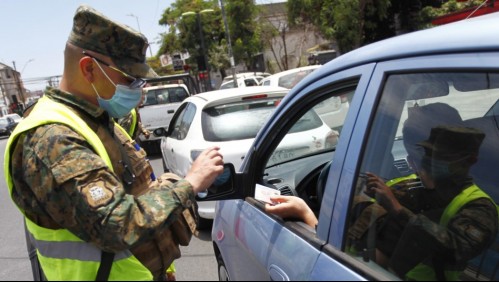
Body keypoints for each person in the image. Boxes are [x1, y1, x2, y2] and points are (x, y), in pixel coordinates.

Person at [4, 5, 223, 281]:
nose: (137, 89)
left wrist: (164, 268)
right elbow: (117, 224)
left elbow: (141, 190)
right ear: (89, 69)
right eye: (129, 78)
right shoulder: (51, 138)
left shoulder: (98, 121)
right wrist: (189, 184)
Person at [265, 104, 498, 280]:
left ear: (470, 160)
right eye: (425, 153)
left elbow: (455, 250)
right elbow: (345, 234)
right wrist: (307, 211)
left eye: (439, 155)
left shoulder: (479, 206)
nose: (429, 161)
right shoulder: (406, 185)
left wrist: (395, 209)